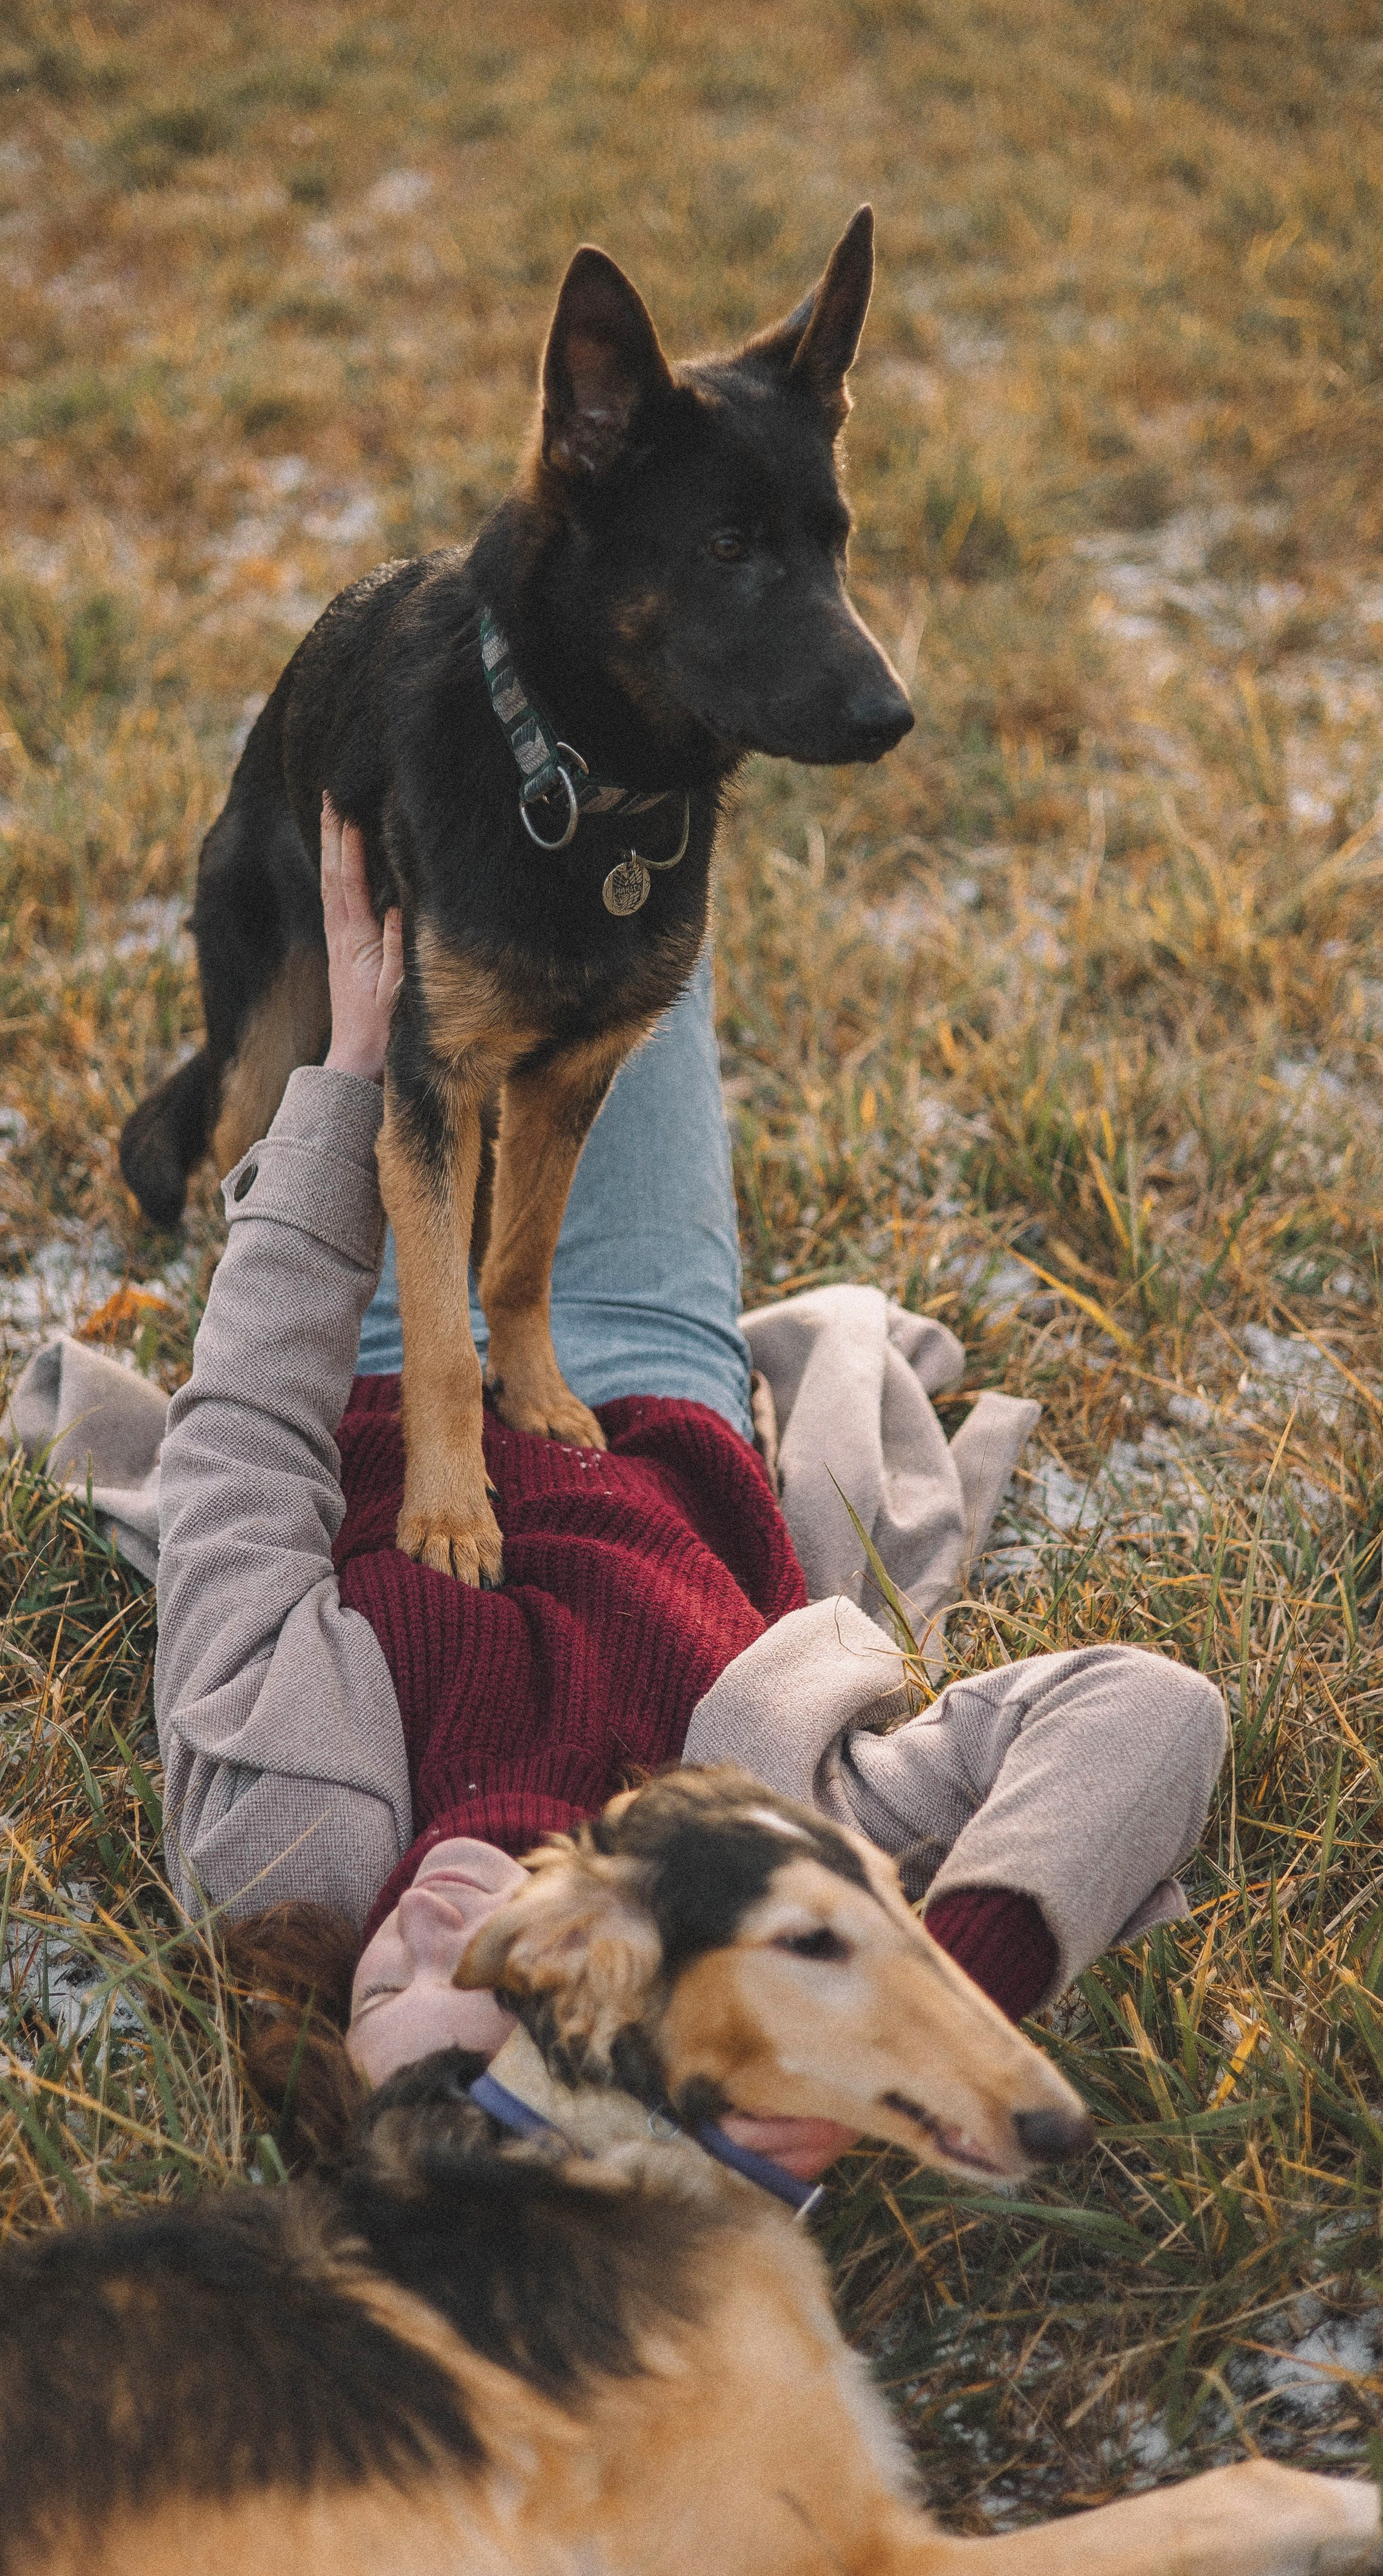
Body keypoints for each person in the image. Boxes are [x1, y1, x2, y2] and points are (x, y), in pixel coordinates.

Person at [121, 806, 1227, 2176]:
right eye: (514, 1990)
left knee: (366, 836)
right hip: (648, 1354)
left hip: (377, 1338)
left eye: (388, 2005)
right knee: (611, 841)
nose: (439, 1946)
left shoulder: (278, 1856)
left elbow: (237, 1452)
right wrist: (919, 2009)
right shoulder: (755, 1863)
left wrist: (345, 1081)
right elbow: (1148, 1710)